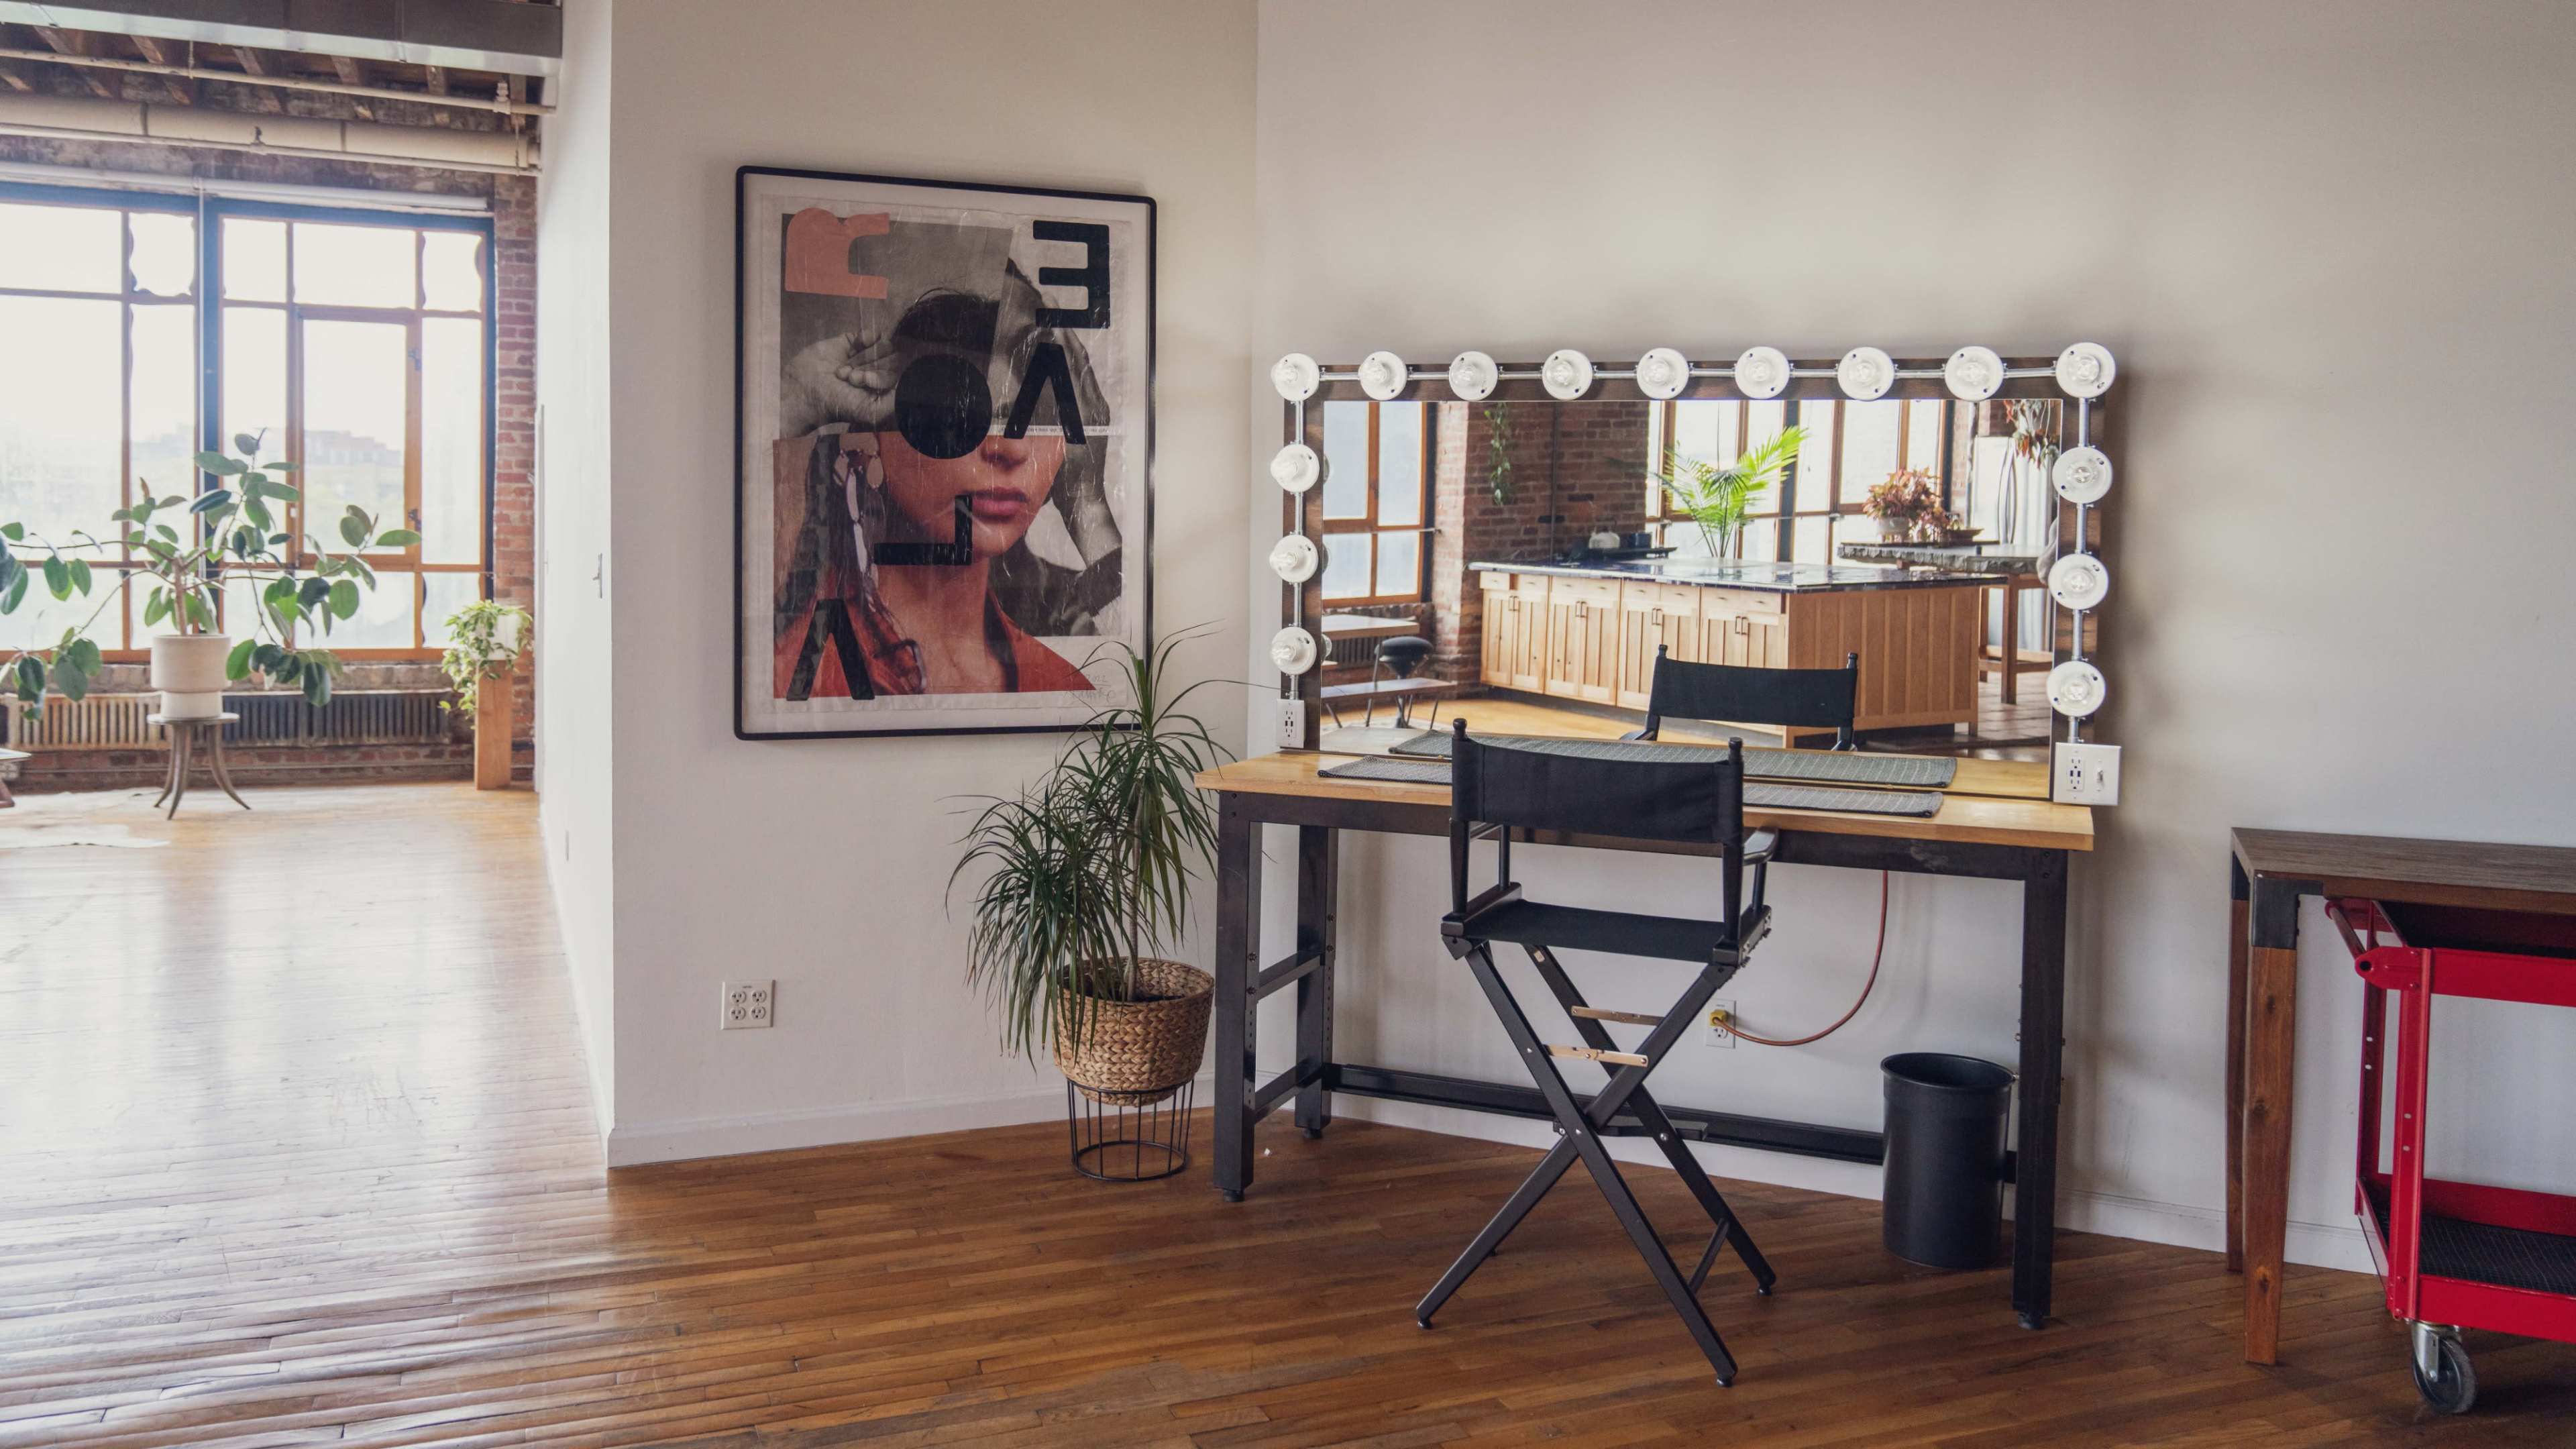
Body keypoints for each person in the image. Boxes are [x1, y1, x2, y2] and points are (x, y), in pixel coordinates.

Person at [771, 283, 1096, 698]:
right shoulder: (793, 672)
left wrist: (1091, 505)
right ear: (877, 434)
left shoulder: (1063, 684)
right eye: (960, 415)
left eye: (1039, 419)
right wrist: (796, 396)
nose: (1011, 450)